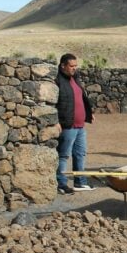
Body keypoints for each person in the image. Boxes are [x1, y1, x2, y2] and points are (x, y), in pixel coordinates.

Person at [55, 53, 95, 194]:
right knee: (64, 155)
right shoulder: (58, 81)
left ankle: (80, 182)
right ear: (63, 66)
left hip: (80, 126)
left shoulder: (76, 78)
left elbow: (81, 98)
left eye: (75, 66)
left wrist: (89, 114)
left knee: (80, 154)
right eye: (71, 66)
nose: (74, 68)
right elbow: (54, 104)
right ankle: (61, 184)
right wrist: (56, 122)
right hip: (67, 125)